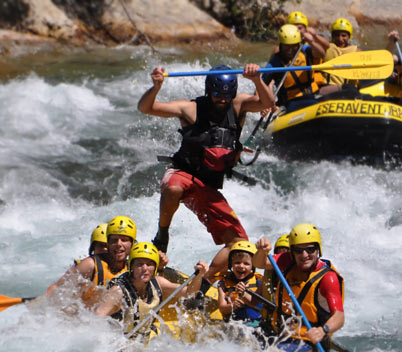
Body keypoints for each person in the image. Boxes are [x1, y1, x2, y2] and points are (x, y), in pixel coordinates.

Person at [138, 58, 273, 275]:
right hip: (183, 173)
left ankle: (206, 281)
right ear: (208, 91)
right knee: (173, 189)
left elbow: (267, 102)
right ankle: (162, 234)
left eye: (227, 95)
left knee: (240, 244)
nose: (222, 100)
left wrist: (257, 79)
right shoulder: (190, 108)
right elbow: (146, 107)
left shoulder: (239, 105)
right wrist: (156, 87)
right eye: (217, 95)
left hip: (208, 186)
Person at [262, 223, 345, 352]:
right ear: (292, 252)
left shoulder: (328, 278)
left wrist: (323, 330)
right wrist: (261, 250)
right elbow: (260, 263)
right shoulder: (287, 261)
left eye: (310, 249)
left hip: (312, 341)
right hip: (284, 335)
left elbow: (340, 317)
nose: (304, 255)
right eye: (298, 250)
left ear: (318, 250)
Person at [94, 242, 207, 335]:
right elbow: (94, 322)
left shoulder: (158, 282)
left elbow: (189, 293)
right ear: (131, 267)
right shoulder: (118, 292)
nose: (144, 269)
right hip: (118, 346)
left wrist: (199, 275)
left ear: (155, 268)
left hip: (141, 342)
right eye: (139, 264)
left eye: (149, 264)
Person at [46, 216, 137, 301]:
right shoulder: (90, 265)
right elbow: (57, 288)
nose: (118, 244)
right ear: (109, 243)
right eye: (114, 240)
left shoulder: (134, 269)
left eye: (124, 240)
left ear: (132, 244)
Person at [263, 24, 326, 107]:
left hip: (312, 96)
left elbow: (321, 54)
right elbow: (262, 86)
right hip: (290, 103)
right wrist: (265, 106)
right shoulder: (275, 63)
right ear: (281, 45)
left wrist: (312, 42)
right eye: (286, 46)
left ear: (298, 44)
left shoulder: (305, 50)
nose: (290, 50)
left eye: (293, 46)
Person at [213, 240, 264, 324]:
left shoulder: (259, 282)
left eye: (246, 264)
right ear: (231, 264)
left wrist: (244, 295)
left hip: (256, 323)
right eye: (237, 262)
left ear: (253, 266)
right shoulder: (223, 284)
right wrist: (233, 306)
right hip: (234, 323)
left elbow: (258, 303)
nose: (241, 266)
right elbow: (222, 307)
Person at [320, 18, 360, 88]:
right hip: (327, 87)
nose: (340, 39)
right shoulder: (326, 48)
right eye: (336, 35)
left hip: (348, 90)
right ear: (332, 36)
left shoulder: (357, 51)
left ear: (349, 37)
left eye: (344, 35)